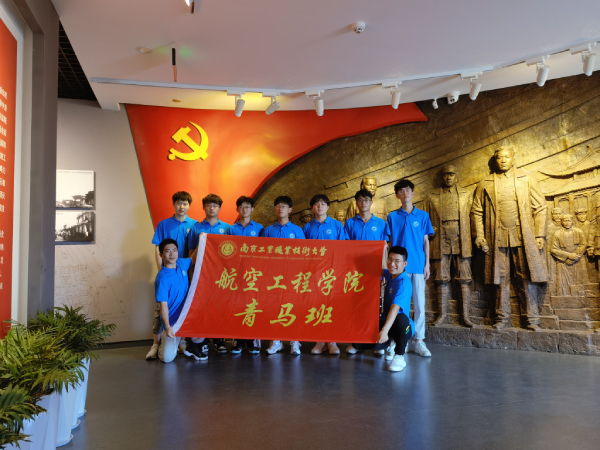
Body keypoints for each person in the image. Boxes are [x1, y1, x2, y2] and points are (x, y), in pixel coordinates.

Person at [472, 147, 548, 331]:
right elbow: (477, 211)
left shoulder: (526, 179)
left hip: (522, 236)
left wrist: (539, 234)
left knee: (525, 277)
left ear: (513, 158)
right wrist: (479, 235)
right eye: (500, 158)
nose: (503, 160)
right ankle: (501, 317)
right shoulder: (485, 183)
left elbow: (540, 207)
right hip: (496, 237)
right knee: (500, 277)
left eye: (507, 157)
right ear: (495, 160)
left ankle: (531, 319)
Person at [146, 191, 197, 360]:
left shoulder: (194, 225)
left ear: (189, 206)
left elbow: (194, 253)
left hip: (183, 270)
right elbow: (157, 247)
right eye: (178, 203)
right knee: (160, 307)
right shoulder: (164, 224)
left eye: (185, 203)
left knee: (184, 306)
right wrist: (161, 269)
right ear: (174, 204)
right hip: (167, 270)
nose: (182, 206)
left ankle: (181, 341)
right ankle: (156, 344)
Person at [386, 179, 434, 357]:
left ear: (413, 193)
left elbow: (425, 241)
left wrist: (427, 264)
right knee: (400, 305)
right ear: (397, 195)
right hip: (399, 269)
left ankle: (419, 340)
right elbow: (389, 243)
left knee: (420, 304)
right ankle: (400, 339)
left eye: (408, 190)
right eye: (401, 191)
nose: (405, 193)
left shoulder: (422, 216)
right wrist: (389, 266)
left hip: (418, 266)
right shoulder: (392, 217)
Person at [347, 246, 414, 372]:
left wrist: (384, 331)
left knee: (401, 319)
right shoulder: (390, 274)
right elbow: (381, 270)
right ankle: (391, 342)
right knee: (357, 344)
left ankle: (399, 355)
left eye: (397, 261)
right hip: (386, 321)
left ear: (405, 264)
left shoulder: (404, 283)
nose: (392, 264)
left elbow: (394, 309)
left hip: (402, 326)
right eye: (390, 259)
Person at [423, 165, 474, 327]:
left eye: (451, 174)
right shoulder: (431, 197)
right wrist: (430, 229)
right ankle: (442, 316)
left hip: (461, 239)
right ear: (442, 177)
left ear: (456, 176)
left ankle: (466, 316)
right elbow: (423, 219)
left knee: (464, 278)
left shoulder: (466, 195)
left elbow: (474, 217)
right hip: (440, 240)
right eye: (446, 174)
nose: (449, 177)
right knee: (441, 279)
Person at [344, 189, 390, 355]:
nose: (363, 203)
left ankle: (376, 344)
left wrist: (384, 271)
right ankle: (357, 343)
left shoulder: (381, 223)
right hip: (355, 271)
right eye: (360, 200)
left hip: (374, 271)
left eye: (366, 200)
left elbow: (384, 248)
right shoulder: (349, 223)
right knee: (356, 307)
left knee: (375, 306)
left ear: (371, 202)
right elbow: (346, 248)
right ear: (356, 203)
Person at [302, 194, 347, 355]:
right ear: (312, 208)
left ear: (328, 206)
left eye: (322, 204)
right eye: (316, 204)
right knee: (316, 306)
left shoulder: (337, 225)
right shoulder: (306, 228)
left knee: (332, 306)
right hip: (314, 274)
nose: (319, 206)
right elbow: (303, 252)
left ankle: (332, 341)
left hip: (332, 274)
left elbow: (343, 250)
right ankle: (320, 341)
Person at [187, 194, 231, 353]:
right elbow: (191, 254)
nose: (212, 208)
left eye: (215, 206)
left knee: (219, 307)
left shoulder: (228, 228)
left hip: (221, 275)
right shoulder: (196, 228)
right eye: (208, 205)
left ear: (220, 208)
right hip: (202, 275)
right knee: (203, 307)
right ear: (203, 207)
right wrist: (192, 276)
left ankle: (219, 340)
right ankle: (203, 339)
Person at [262, 195, 306, 355]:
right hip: (274, 277)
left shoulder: (297, 231)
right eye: (278, 206)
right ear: (275, 209)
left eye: (284, 206)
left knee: (293, 307)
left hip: (292, 276)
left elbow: (303, 254)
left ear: (290, 210)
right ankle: (276, 341)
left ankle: (295, 342)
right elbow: (262, 253)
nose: (281, 209)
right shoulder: (268, 230)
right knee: (274, 308)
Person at [155, 238, 202, 363]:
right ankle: (164, 344)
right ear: (161, 254)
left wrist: (202, 240)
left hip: (187, 319)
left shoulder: (181, 264)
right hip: (173, 324)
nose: (172, 254)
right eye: (168, 251)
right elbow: (163, 305)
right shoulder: (162, 278)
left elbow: (193, 258)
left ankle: (189, 344)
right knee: (167, 359)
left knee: (204, 323)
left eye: (174, 250)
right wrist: (167, 327)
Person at [227, 196, 264, 354]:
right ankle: (238, 340)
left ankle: (254, 339)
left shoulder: (260, 228)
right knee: (237, 304)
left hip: (254, 273)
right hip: (237, 272)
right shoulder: (231, 229)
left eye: (247, 207)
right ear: (237, 209)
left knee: (254, 304)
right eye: (241, 207)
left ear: (252, 209)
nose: (244, 210)